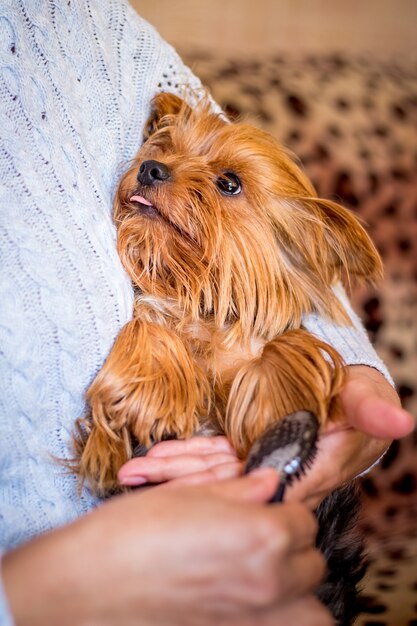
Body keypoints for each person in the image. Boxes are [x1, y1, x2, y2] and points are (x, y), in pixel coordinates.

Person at [0, 1, 413, 624]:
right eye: (159, 151)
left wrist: (350, 399)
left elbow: (309, 304)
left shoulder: (95, 27)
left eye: (224, 183)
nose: (157, 164)